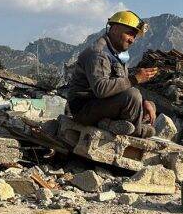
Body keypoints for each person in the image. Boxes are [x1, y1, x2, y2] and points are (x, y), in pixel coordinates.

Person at [67, 10, 158, 138]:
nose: (132, 40)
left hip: (101, 105)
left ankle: (108, 124)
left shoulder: (116, 53)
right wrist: (135, 79)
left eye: (134, 36)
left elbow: (120, 85)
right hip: (84, 109)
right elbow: (101, 89)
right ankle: (138, 131)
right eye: (129, 34)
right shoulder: (99, 53)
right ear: (114, 29)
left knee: (150, 105)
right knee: (132, 96)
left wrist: (144, 102)